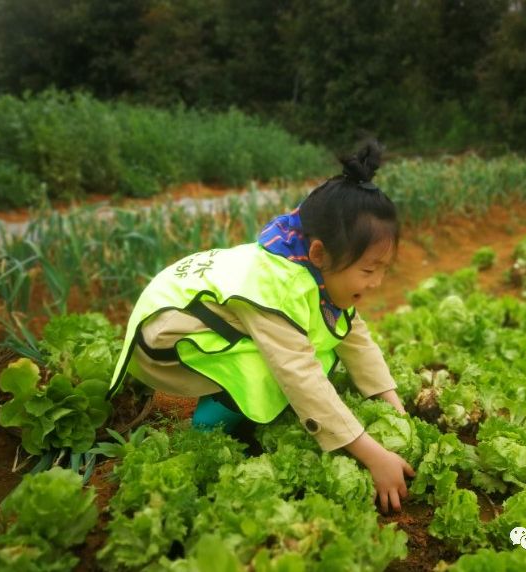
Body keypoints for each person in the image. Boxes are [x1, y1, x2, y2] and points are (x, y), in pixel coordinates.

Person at [109, 140, 414, 512]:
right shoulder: (277, 288)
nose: (377, 283)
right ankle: (209, 427)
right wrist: (372, 455)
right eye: (368, 270)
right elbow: (300, 377)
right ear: (319, 253)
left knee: (318, 342)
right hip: (164, 344)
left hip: (200, 326)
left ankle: (233, 403)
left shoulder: (309, 263)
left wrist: (394, 407)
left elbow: (354, 336)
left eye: (384, 269)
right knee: (284, 366)